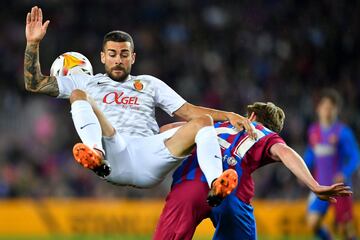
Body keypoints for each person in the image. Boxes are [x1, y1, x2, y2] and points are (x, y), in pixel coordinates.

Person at [23, 6, 257, 203]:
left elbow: (188, 111)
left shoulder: (149, 83)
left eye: (124, 54)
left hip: (150, 155)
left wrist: (228, 114)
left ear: (133, 57)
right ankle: (95, 153)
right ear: (102, 57)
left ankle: (216, 185)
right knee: (77, 93)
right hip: (113, 152)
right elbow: (34, 84)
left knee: (202, 122)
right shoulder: (86, 82)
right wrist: (33, 44)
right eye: (112, 54)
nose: (118, 59)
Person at [153, 102, 352, 240]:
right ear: (274, 129)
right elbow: (285, 152)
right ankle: (219, 185)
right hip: (230, 194)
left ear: (252, 116)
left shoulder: (216, 124)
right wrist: (314, 185)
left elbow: (167, 129)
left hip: (189, 186)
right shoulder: (266, 136)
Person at [304, 89, 359, 240]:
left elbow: (355, 157)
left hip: (339, 187)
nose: (327, 110)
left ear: (336, 110)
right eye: (325, 106)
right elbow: (311, 153)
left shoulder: (343, 132)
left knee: (346, 230)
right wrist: (303, 169)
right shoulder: (313, 131)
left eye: (331, 107)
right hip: (320, 186)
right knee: (312, 223)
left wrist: (344, 173)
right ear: (318, 108)